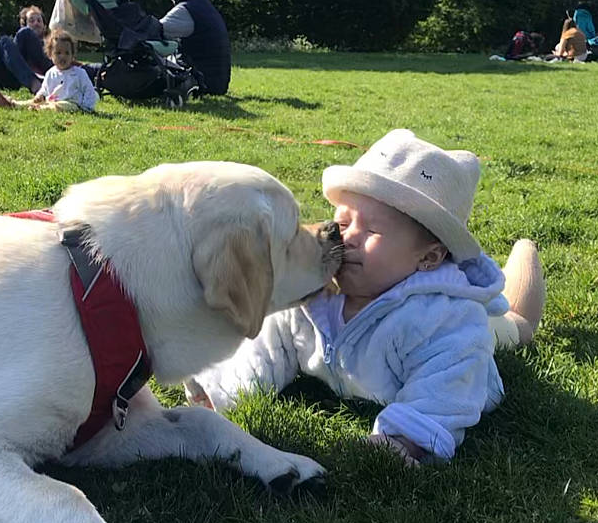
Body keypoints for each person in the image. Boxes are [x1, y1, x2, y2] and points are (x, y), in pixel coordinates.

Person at [185, 129, 546, 466]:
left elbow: (446, 388)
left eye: (372, 230)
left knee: (511, 326)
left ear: (429, 257)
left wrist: (403, 439)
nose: (349, 238)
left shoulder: (447, 321)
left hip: (480, 339)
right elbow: (270, 345)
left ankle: (525, 259)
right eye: (343, 223)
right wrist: (223, 393)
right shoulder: (314, 294)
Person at [159, 0, 231, 95]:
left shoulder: (187, 10)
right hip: (218, 83)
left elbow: (154, 30)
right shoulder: (204, 6)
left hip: (201, 82)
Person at [0, 28, 99, 112]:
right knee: (34, 101)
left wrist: (87, 107)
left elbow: (89, 91)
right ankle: (13, 104)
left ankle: (39, 109)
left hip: (72, 104)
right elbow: (45, 89)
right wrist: (39, 96)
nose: (63, 57)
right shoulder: (51, 73)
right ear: (50, 55)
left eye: (67, 53)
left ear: (72, 56)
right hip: (50, 101)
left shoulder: (79, 73)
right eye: (58, 53)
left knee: (63, 106)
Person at [14, 5, 52, 76]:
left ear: (44, 27)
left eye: (39, 21)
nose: (36, 23)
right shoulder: (21, 40)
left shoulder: (51, 45)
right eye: (31, 21)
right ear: (25, 25)